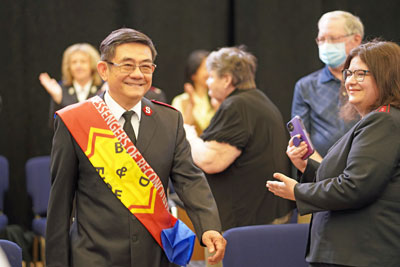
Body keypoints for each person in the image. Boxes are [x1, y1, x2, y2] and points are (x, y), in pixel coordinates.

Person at [46, 28, 226, 267]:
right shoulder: (74, 121)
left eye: (146, 66)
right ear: (103, 70)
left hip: (155, 257)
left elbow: (189, 180)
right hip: (94, 257)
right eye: (127, 65)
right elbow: (60, 204)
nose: (138, 74)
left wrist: (209, 226)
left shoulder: (169, 120)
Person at [267, 40, 400, 267]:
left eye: (361, 74)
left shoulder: (383, 121)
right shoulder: (377, 120)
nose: (350, 81)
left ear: (385, 77)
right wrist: (305, 166)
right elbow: (351, 178)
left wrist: (298, 192)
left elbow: (355, 187)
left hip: (359, 255)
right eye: (349, 73)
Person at [185, 46, 294, 233]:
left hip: (249, 225)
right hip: (267, 216)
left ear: (226, 79)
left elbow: (211, 161)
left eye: (211, 77)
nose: (208, 83)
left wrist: (188, 135)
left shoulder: (236, 106)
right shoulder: (258, 100)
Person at [291, 10, 364, 161]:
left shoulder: (374, 80)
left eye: (333, 38)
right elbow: (301, 141)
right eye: (321, 39)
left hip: (369, 171)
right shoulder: (306, 86)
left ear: (356, 39)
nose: (326, 45)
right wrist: (324, 172)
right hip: (321, 176)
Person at [39, 43, 103, 127]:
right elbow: (54, 126)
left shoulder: (103, 88)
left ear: (92, 65)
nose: (78, 66)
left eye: (83, 61)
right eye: (74, 62)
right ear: (68, 67)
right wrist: (59, 101)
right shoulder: (60, 90)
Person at [172, 50, 216, 134]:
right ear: (194, 74)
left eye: (212, 68)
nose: (210, 73)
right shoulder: (181, 100)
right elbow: (179, 132)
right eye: (206, 68)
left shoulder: (217, 98)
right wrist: (191, 104)